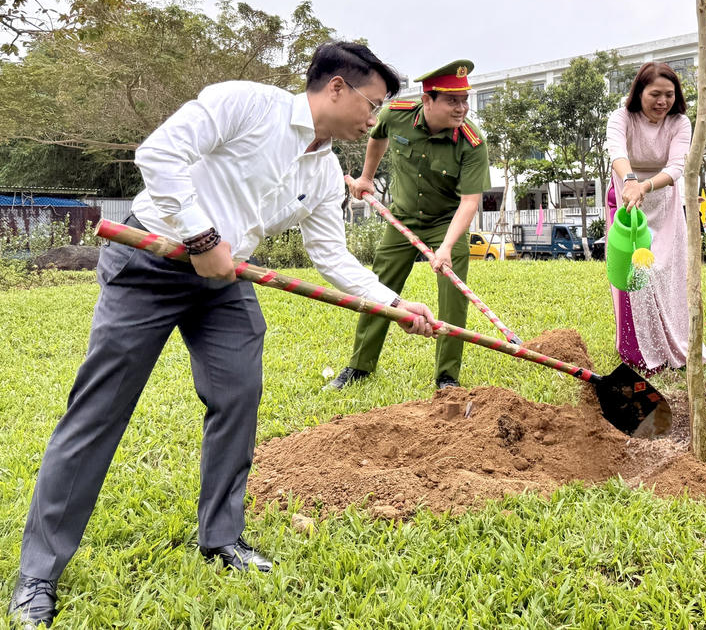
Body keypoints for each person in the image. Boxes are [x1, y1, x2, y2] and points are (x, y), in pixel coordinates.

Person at [7, 42, 436, 629]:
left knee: (238, 394)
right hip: (151, 261)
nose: (376, 119)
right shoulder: (246, 105)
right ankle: (38, 573)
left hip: (225, 281)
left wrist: (392, 303)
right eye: (375, 103)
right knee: (100, 409)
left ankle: (221, 537)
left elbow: (331, 256)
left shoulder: (324, 170)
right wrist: (203, 237)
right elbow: (158, 154)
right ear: (337, 87)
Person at [327, 59, 489, 392]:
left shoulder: (473, 142)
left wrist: (445, 248)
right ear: (428, 100)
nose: (462, 108)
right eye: (452, 101)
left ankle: (447, 377)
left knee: (453, 295)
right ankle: (360, 366)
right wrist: (367, 178)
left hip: (447, 224)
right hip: (401, 218)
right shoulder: (396, 114)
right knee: (380, 286)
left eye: (465, 100)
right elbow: (378, 136)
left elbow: (469, 203)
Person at [605, 62, 706, 371]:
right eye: (655, 94)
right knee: (631, 272)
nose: (662, 101)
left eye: (669, 94)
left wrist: (646, 185)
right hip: (627, 203)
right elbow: (618, 155)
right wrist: (630, 183)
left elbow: (678, 166)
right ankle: (635, 349)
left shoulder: (680, 123)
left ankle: (671, 342)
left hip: (664, 202)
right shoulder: (621, 118)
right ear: (639, 93)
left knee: (665, 272)